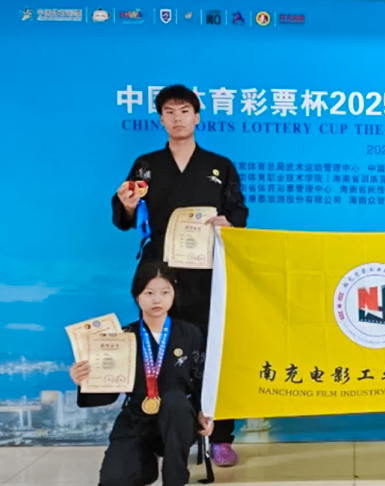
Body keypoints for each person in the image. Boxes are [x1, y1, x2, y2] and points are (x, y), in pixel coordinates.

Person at [111, 84, 248, 466]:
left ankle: (219, 435)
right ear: (160, 119)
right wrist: (126, 204)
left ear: (197, 116)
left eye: (184, 110)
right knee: (159, 348)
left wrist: (229, 221)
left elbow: (239, 211)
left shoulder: (219, 166)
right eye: (169, 112)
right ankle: (162, 435)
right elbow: (125, 217)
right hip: (160, 272)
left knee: (211, 348)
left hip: (207, 272)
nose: (177, 118)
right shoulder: (146, 165)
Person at [69, 263, 213, 486]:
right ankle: (144, 466)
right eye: (149, 293)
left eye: (165, 292)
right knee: (114, 480)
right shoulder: (122, 337)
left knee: (175, 401)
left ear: (174, 294)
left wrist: (206, 411)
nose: (157, 300)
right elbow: (108, 391)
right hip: (137, 417)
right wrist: (83, 379)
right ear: (137, 296)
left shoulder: (190, 333)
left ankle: (175, 478)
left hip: (178, 419)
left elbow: (203, 379)